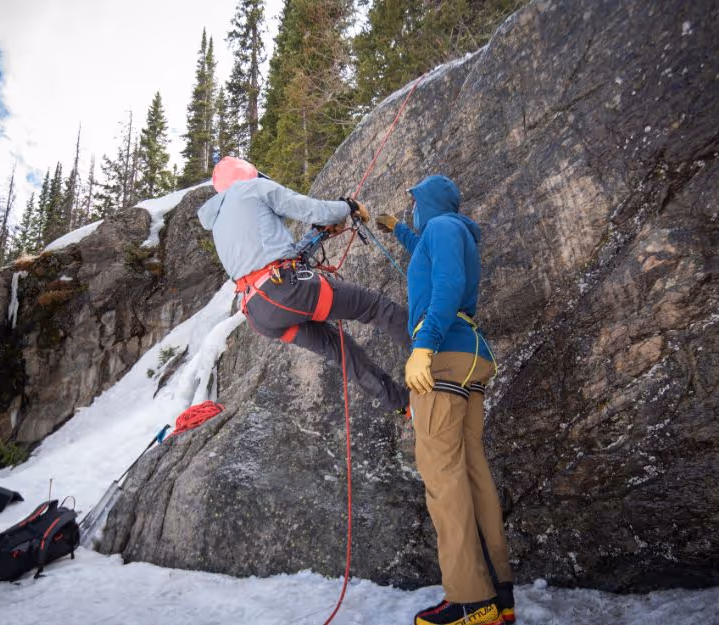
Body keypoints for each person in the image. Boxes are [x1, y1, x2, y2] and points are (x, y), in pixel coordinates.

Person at [376, 175, 516, 625]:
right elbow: (427, 254)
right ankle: (499, 595)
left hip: (444, 357)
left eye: (413, 203)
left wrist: (423, 346)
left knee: (442, 476)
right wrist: (394, 227)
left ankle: (471, 602)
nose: (412, 210)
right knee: (472, 473)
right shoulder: (448, 232)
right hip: (470, 357)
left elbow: (448, 283)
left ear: (429, 202)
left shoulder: (442, 227)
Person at [197, 156, 410, 412]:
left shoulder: (219, 222)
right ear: (248, 175)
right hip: (285, 290)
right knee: (375, 307)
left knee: (339, 348)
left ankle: (402, 404)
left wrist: (317, 235)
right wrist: (347, 206)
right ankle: (438, 359)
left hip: (258, 312)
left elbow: (267, 261)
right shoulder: (253, 188)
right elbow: (312, 210)